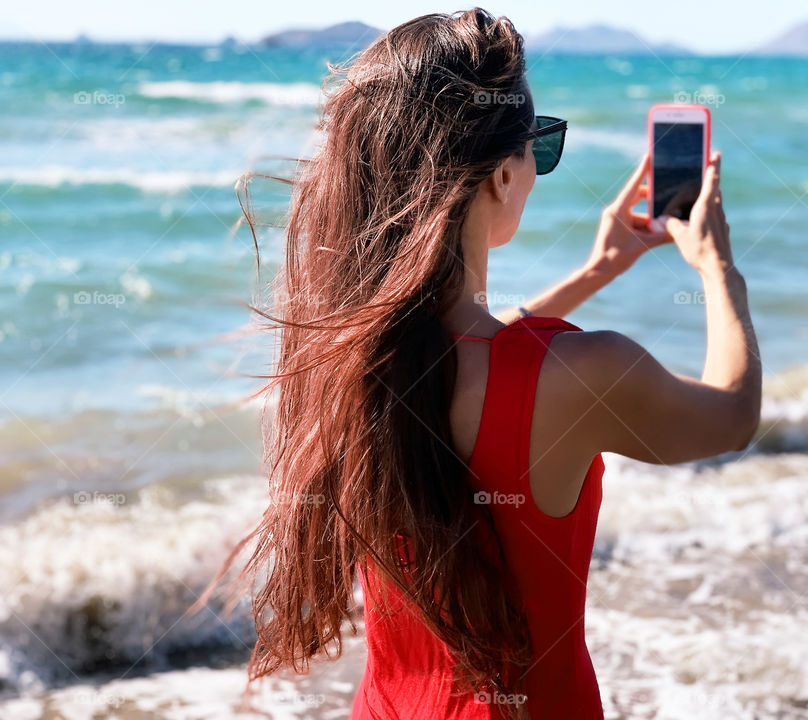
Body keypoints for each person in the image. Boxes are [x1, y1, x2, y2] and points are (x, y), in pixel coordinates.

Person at [204, 8, 761, 720]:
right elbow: (733, 413)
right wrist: (720, 270)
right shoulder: (580, 371)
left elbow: (475, 356)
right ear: (502, 174)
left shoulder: (341, 358)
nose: (536, 167)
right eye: (540, 147)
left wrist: (598, 267)